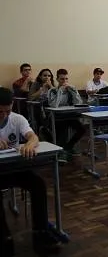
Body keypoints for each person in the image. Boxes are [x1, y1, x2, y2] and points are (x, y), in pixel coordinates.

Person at [0, 87, 60, 256]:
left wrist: (29, 144)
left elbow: (33, 137)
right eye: (0, 112)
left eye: (8, 111)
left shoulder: (17, 119)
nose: (4, 115)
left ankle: (40, 231)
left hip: (15, 168)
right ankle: (4, 236)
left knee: (38, 184)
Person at [48, 69, 85, 158]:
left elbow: (78, 103)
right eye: (62, 79)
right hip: (56, 116)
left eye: (66, 79)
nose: (64, 81)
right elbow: (54, 105)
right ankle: (61, 152)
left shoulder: (70, 90)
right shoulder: (52, 91)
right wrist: (60, 91)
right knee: (63, 128)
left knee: (82, 130)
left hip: (69, 115)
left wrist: (74, 92)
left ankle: (68, 147)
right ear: (57, 79)